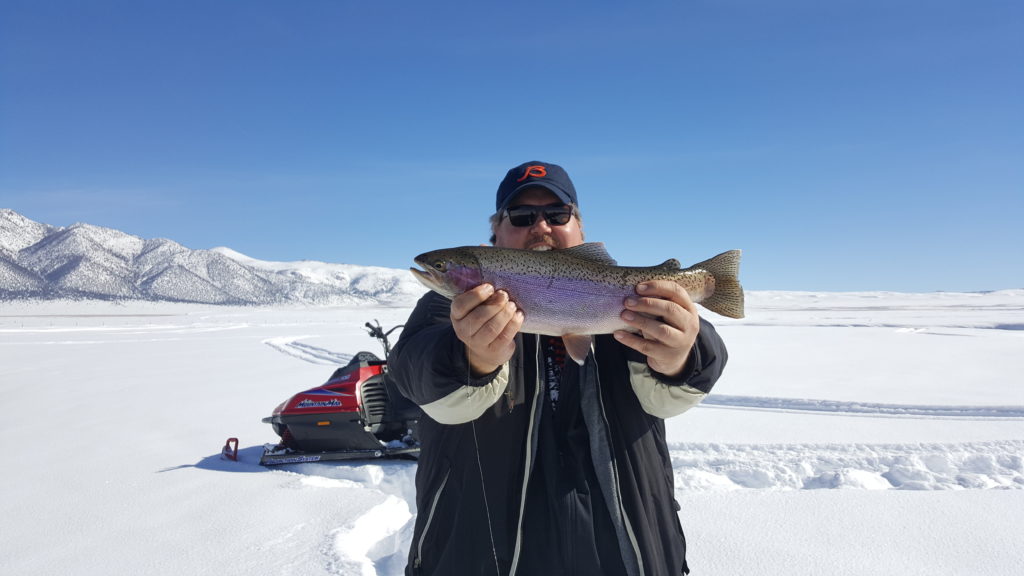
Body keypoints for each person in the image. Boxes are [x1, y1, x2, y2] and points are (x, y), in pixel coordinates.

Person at [390, 160, 728, 576]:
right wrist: (470, 358)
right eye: (522, 216)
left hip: (630, 554)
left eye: (557, 214)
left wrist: (681, 355)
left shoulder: (635, 303)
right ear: (495, 235)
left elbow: (679, 389)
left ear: (581, 231)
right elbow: (414, 373)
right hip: (481, 555)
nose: (542, 227)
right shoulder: (446, 309)